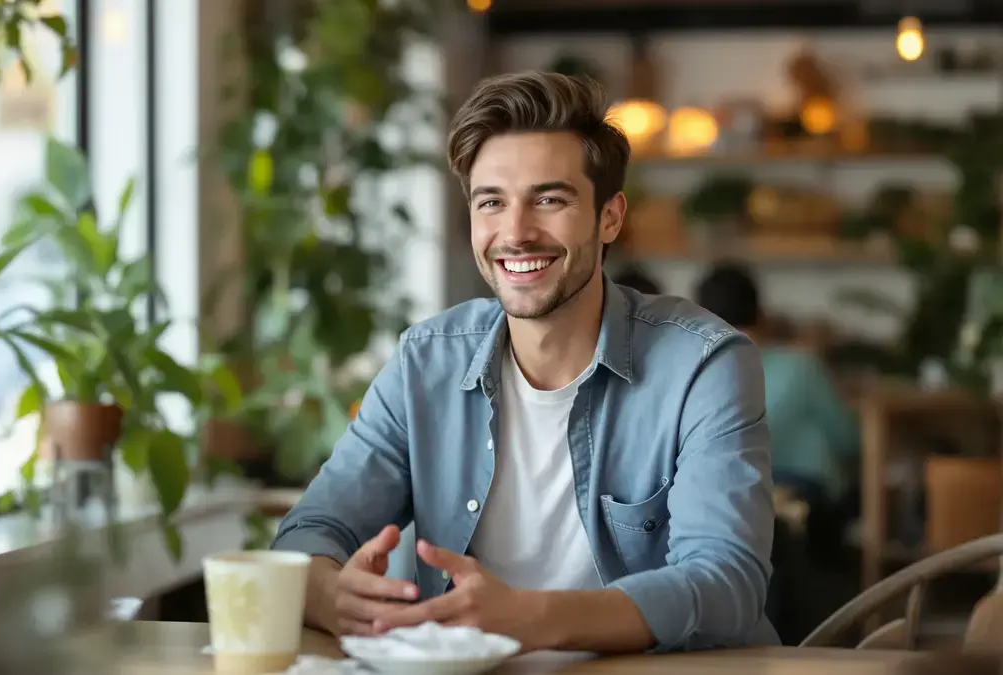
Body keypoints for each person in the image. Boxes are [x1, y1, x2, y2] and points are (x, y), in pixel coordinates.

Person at [271, 71, 779, 654]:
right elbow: (309, 531)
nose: (515, 232)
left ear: (609, 217)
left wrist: (532, 618)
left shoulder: (704, 365)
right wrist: (327, 592)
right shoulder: (425, 362)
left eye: (549, 199)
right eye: (492, 202)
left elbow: (727, 584)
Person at [694, 263, 860, 561]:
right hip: (805, 492)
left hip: (726, 499)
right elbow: (847, 439)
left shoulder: (693, 374)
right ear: (761, 315)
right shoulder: (800, 367)